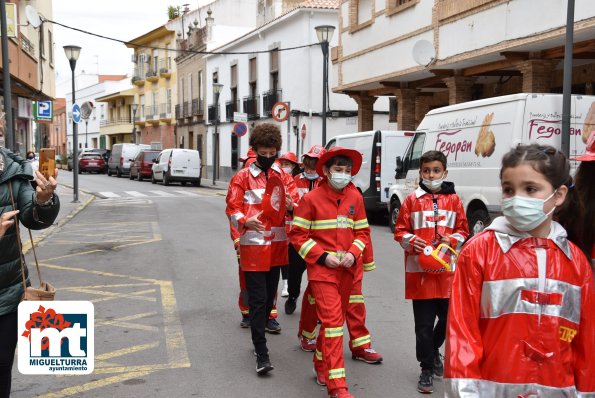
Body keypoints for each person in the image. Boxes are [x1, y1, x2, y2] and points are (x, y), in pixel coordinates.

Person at [445, 144, 595, 397]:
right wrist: (464, 391)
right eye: (508, 189)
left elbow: (586, 342)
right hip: (491, 389)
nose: (516, 198)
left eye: (530, 189)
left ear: (558, 196)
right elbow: (462, 331)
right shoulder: (479, 250)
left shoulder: (576, 261)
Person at [290, 146, 371, 398]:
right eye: (338, 170)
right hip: (322, 272)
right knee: (334, 323)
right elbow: (298, 235)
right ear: (326, 171)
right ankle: (338, 386)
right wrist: (323, 257)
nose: (343, 175)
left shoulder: (355, 197)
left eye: (347, 171)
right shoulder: (310, 199)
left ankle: (321, 363)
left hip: (346, 270)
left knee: (330, 324)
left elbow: (363, 232)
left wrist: (353, 254)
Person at [394, 150, 469, 394]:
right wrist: (410, 239)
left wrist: (453, 240)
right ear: (420, 173)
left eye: (436, 170)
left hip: (448, 273)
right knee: (423, 326)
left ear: (444, 172)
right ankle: (426, 368)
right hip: (421, 274)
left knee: (449, 322)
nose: (431, 175)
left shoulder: (455, 200)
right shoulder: (411, 200)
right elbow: (400, 231)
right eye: (426, 170)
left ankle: (433, 350)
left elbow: (463, 230)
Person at [226, 123, 298, 375]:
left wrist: (291, 206)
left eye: (272, 153)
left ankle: (260, 334)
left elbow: (298, 207)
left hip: (277, 246)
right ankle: (261, 351)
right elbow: (232, 209)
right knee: (257, 300)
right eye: (263, 153)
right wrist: (246, 220)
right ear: (254, 150)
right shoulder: (242, 177)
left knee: (268, 300)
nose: (268, 158)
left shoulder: (285, 177)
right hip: (253, 246)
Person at [0, 144, 60, 397]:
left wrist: (43, 200)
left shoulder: (12, 170)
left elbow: (32, 217)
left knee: (2, 367)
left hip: (8, 293)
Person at [228, 147, 280, 330]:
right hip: (248, 242)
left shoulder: (275, 176)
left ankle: (269, 315)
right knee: (247, 282)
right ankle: (247, 312)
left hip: (270, 242)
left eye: (270, 154)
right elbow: (233, 213)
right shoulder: (242, 177)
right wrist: (237, 241)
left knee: (269, 285)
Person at [285, 145, 326, 317]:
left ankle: (318, 309)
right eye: (308, 164)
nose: (310, 169)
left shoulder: (326, 184)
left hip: (320, 238)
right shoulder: (294, 180)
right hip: (298, 237)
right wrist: (291, 207)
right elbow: (290, 204)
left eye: (314, 165)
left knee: (319, 277)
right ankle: (293, 295)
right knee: (294, 273)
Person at [277, 151, 301, 297]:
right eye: (283, 164)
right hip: (282, 223)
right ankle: (286, 283)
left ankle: (290, 285)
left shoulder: (297, 180)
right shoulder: (278, 178)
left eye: (287, 164)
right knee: (283, 255)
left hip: (296, 223)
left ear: (293, 166)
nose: (284, 167)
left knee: (294, 260)